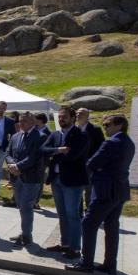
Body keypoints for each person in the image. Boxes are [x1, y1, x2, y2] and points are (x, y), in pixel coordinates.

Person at [67, 114, 135, 275]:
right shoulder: (128, 142)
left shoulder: (111, 142)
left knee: (88, 223)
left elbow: (92, 163)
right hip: (120, 190)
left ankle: (86, 262)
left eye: (107, 125)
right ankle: (110, 264)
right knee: (112, 227)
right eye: (104, 125)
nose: (104, 128)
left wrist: (94, 170)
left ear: (119, 126)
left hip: (105, 191)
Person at [41, 106, 90, 259]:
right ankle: (65, 244)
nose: (61, 119)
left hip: (73, 181)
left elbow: (73, 156)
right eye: (60, 117)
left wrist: (54, 154)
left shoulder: (80, 135)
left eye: (64, 117)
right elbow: (42, 149)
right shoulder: (55, 134)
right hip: (56, 179)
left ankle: (75, 249)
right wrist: (58, 150)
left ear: (72, 118)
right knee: (62, 214)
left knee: (73, 215)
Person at [6, 111, 46, 248]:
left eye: (25, 121)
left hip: (31, 178)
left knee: (26, 206)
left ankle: (27, 236)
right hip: (17, 177)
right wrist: (11, 164)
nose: (21, 123)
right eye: (20, 121)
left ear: (33, 122)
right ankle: (24, 232)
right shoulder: (16, 136)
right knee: (20, 206)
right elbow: (8, 152)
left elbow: (34, 157)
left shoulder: (40, 136)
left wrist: (18, 166)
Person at [76, 107, 106, 214]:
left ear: (87, 116)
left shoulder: (95, 130)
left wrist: (92, 162)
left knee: (89, 190)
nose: (78, 115)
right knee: (76, 190)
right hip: (75, 166)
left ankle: (89, 212)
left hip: (89, 166)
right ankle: (78, 211)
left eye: (82, 113)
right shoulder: (73, 129)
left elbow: (101, 148)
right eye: (77, 113)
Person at [32, 112, 52, 209]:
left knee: (39, 181)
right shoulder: (33, 130)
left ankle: (36, 202)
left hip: (42, 161)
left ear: (40, 120)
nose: (33, 120)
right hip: (30, 160)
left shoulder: (49, 133)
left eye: (35, 118)